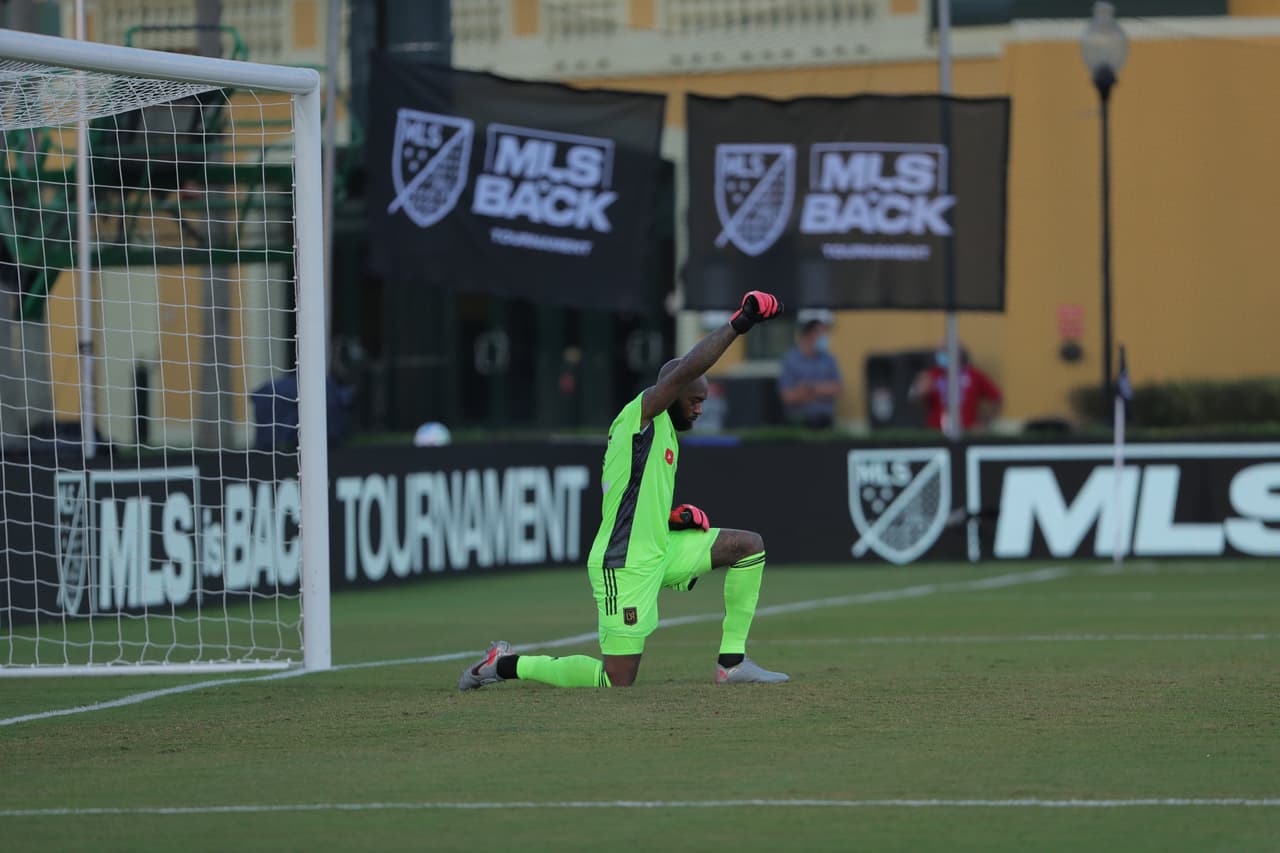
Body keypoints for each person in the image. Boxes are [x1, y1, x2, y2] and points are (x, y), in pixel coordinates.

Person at [459, 291, 789, 690]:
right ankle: (504, 665)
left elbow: (629, 499)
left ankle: (732, 664)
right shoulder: (642, 413)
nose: (700, 409)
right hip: (624, 563)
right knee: (617, 679)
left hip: (660, 550)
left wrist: (673, 517)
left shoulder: (662, 431)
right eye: (695, 400)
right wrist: (741, 322)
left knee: (747, 546)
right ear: (674, 391)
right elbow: (687, 369)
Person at [910, 344, 1003, 433]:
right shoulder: (932, 375)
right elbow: (916, 403)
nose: (941, 354)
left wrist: (984, 425)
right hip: (936, 432)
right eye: (940, 351)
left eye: (945, 350)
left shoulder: (974, 375)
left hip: (967, 432)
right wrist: (919, 393)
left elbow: (996, 399)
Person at [777, 316, 842, 429]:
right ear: (809, 334)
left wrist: (810, 389)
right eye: (821, 334)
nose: (825, 338)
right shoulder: (791, 360)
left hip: (825, 421)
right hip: (799, 423)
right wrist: (822, 392)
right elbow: (787, 396)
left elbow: (838, 388)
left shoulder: (828, 359)